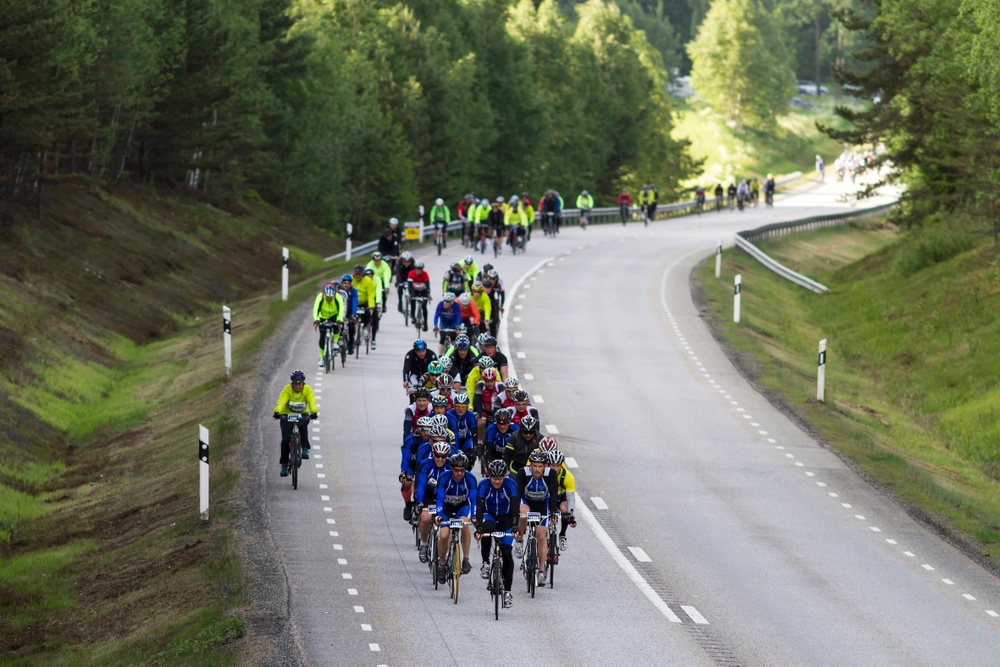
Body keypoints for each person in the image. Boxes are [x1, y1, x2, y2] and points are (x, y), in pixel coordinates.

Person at [475, 458, 519, 609]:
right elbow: (480, 509)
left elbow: (515, 508)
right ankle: (486, 563)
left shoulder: (511, 484)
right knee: (486, 530)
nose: (497, 482)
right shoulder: (483, 485)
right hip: (490, 515)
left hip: (507, 518)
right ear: (489, 475)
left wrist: (515, 526)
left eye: (500, 478)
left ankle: (507, 591)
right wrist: (479, 528)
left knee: (507, 553)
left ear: (505, 476)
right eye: (494, 478)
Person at [514, 448, 559, 584]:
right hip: (526, 501)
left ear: (545, 466)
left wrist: (552, 513)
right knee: (524, 514)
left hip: (542, 505)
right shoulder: (523, 473)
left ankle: (541, 569)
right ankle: (520, 539)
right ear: (530, 465)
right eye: (534, 466)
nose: (537, 470)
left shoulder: (550, 474)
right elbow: (517, 494)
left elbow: (553, 495)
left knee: (541, 536)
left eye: (540, 466)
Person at [435, 452, 478, 583]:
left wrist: (474, 516)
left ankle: (465, 560)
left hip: (461, 507)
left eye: (462, 470)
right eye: (457, 470)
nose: (459, 473)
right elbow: (440, 499)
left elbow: (473, 500)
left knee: (464, 525)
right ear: (451, 468)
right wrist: (438, 515)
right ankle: (442, 565)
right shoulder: (444, 477)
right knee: (443, 535)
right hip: (446, 508)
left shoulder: (470, 479)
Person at [272, 370, 318, 477]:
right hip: (287, 415)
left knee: (303, 426)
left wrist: (314, 412)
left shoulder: (307, 389)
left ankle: (305, 448)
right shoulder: (287, 389)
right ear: (292, 383)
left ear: (303, 383)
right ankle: (284, 464)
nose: (297, 386)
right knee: (285, 440)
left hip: (302, 414)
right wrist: (277, 411)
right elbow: (282, 401)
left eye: (300, 384)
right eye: (295, 384)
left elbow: (312, 401)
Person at [415, 441, 453, 562]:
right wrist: (420, 502)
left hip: (445, 498)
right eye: (437, 456)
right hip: (429, 495)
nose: (440, 459)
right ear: (433, 454)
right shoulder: (426, 464)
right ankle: (424, 544)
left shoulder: (451, 466)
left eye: (443, 456)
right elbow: (420, 485)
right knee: (426, 518)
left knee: (448, 527)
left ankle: (444, 554)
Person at [548, 449, 577, 551]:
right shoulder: (544, 473)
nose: (555, 469)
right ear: (548, 464)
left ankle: (562, 534)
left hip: (561, 496)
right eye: (552, 465)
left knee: (565, 509)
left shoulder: (568, 477)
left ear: (562, 465)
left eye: (558, 466)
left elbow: (571, 498)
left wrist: (571, 514)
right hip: (548, 496)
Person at [313, 282, 345, 360]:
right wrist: (316, 320)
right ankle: (321, 357)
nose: (329, 299)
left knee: (338, 328)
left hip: (334, 316)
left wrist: (339, 320)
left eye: (331, 297)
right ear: (324, 294)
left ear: (334, 294)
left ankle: (335, 342)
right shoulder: (320, 297)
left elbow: (341, 309)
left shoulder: (338, 297)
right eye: (327, 297)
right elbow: (315, 309)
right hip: (323, 317)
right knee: (322, 338)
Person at [446, 393, 478, 462]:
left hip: (465, 440)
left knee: (471, 457)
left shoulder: (471, 416)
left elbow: (474, 433)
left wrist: (475, 448)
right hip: (451, 441)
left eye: (463, 406)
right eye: (458, 406)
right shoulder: (449, 415)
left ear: (467, 407)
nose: (460, 409)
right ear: (454, 406)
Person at [359, 267, 383, 348]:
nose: (369, 277)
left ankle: (373, 339)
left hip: (374, 298)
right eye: (367, 275)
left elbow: (379, 290)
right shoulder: (363, 281)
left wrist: (378, 302)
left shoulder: (376, 280)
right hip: (366, 299)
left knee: (375, 317)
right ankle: (362, 326)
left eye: (371, 276)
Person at [406, 260, 431, 329]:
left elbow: (428, 286)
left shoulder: (425, 274)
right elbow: (410, 286)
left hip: (423, 290)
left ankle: (425, 323)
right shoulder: (411, 273)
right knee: (413, 301)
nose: (419, 270)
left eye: (420, 269)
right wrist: (410, 295)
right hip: (415, 290)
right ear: (415, 268)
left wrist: (428, 295)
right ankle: (413, 316)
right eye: (417, 269)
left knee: (424, 307)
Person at [339, 274, 359, 355]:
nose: (346, 285)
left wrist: (353, 314)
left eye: (348, 283)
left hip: (349, 311)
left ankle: (350, 345)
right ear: (342, 283)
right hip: (341, 310)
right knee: (339, 325)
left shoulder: (353, 291)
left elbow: (355, 302)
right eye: (345, 283)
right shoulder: (339, 291)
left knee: (351, 327)